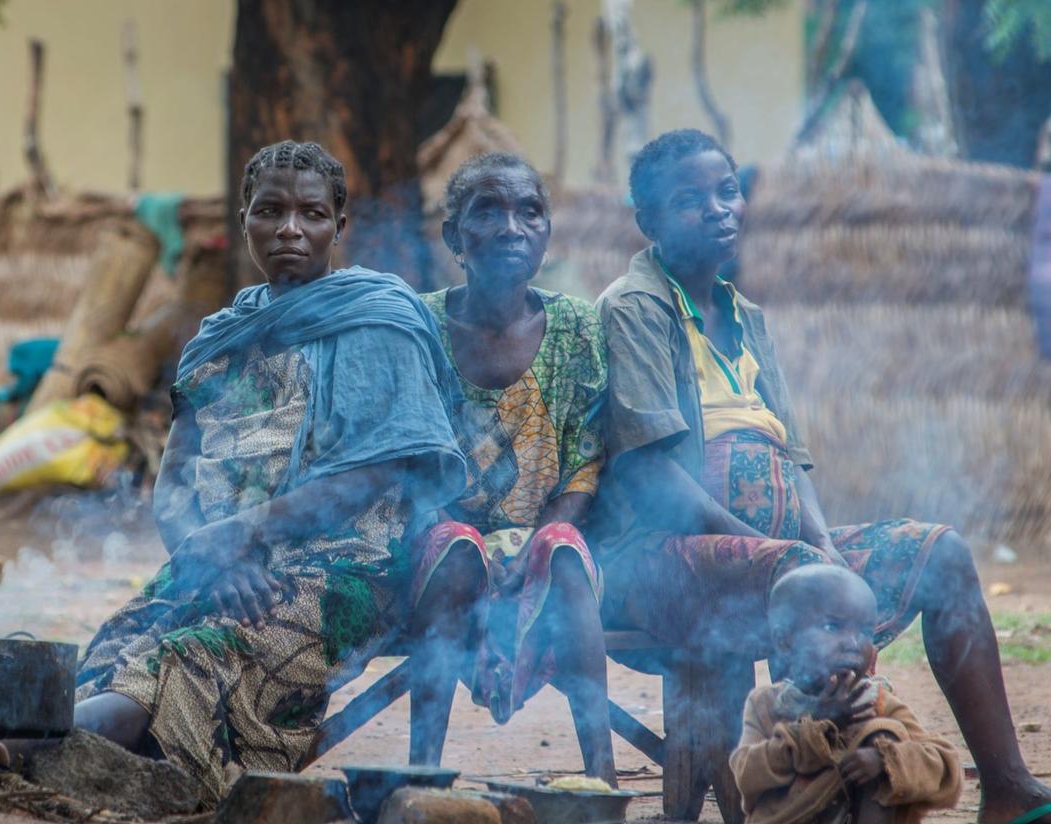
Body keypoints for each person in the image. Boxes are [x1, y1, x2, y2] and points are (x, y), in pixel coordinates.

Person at [591, 128, 1051, 824]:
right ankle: (820, 793)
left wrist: (823, 548)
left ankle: (1009, 785)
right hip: (665, 560)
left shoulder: (748, 317)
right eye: (689, 201)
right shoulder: (634, 308)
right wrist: (782, 554)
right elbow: (651, 476)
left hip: (776, 556)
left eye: (727, 190)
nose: (719, 209)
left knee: (944, 557)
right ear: (649, 221)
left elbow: (793, 461)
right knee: (807, 588)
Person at [73, 141, 467, 805]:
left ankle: (8, 748)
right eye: (271, 211)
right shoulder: (222, 339)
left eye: (312, 214)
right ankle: (32, 755)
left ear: (339, 227)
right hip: (217, 566)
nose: (290, 229)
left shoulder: (380, 320)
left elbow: (373, 475)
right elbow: (174, 488)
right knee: (110, 652)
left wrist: (238, 537)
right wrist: (221, 561)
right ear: (245, 220)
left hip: (343, 569)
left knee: (190, 659)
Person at [409, 153, 615, 785]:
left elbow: (587, 458)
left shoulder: (578, 327)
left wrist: (528, 545)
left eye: (529, 211)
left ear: (548, 232)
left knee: (562, 549)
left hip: (547, 542)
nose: (511, 228)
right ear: (453, 237)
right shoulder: (418, 324)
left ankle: (599, 782)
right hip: (438, 548)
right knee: (455, 547)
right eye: (487, 211)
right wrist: (464, 535)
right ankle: (421, 780)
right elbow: (406, 462)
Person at [730, 565, 961, 824]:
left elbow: (945, 766)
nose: (852, 643)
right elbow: (746, 774)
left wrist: (885, 761)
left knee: (885, 733)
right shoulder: (767, 704)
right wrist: (812, 729)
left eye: (864, 632)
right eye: (832, 626)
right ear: (785, 641)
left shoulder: (877, 702)